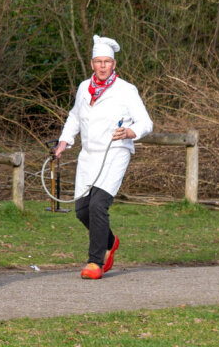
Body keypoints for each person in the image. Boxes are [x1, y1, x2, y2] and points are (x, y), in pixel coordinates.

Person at [54, 35, 152, 280]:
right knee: (82, 210)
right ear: (91, 64)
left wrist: (130, 132)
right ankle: (110, 240)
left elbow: (146, 122)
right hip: (88, 156)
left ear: (114, 64)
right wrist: (65, 140)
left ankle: (95, 262)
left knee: (99, 205)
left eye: (107, 61)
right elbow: (75, 116)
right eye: (98, 61)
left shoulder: (126, 90)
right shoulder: (83, 88)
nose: (102, 66)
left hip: (115, 153)